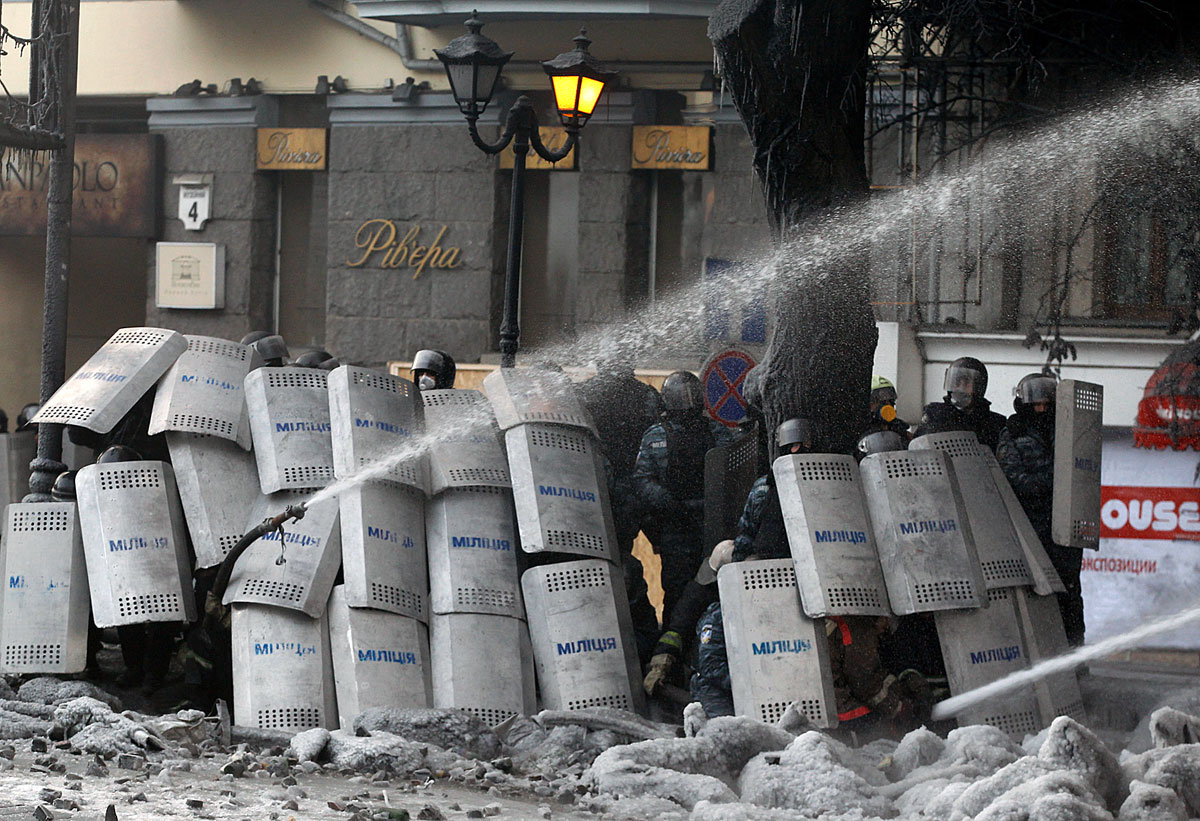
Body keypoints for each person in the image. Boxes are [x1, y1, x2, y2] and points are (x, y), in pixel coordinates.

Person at [578, 346, 664, 663]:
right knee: (627, 563)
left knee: (606, 564)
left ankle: (608, 637)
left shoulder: (586, 392)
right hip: (640, 490)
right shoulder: (647, 396)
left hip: (597, 492)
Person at [632, 371, 730, 623]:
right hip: (677, 528)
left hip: (708, 529)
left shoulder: (716, 432)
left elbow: (733, 473)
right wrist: (668, 504)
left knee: (713, 594)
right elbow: (643, 481)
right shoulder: (657, 435)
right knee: (677, 593)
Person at [998, 372, 1084, 646]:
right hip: (1031, 529)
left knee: (1069, 592)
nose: (1042, 408)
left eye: (1047, 402)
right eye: (1036, 402)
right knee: (1038, 595)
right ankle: (1042, 651)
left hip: (1064, 528)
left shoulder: (1067, 430)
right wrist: (1053, 484)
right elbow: (1013, 479)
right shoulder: (1014, 432)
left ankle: (1073, 651)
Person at [914, 357, 1007, 452]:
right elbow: (918, 450)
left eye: (966, 382)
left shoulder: (995, 423)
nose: (960, 387)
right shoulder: (936, 414)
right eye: (956, 381)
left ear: (979, 386)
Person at [865, 376, 912, 441]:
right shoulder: (859, 429)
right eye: (880, 401)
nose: (888, 405)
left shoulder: (898, 428)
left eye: (890, 400)